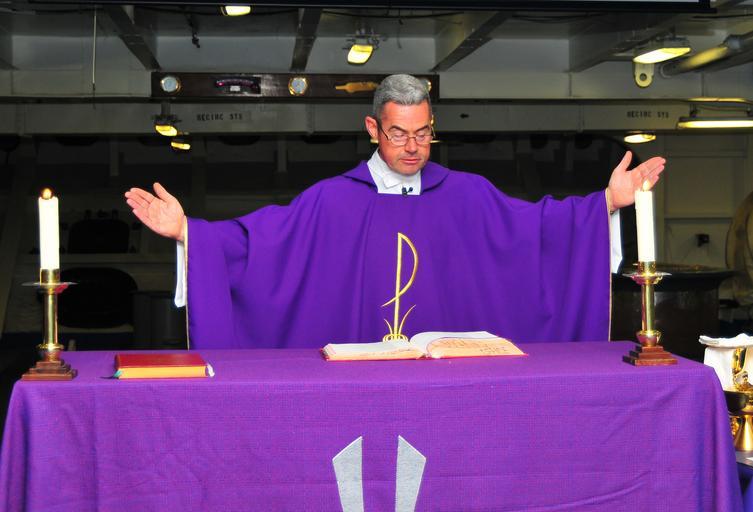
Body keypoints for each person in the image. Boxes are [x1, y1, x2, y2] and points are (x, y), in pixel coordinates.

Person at [125, 74, 664, 349]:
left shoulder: (468, 195)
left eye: (423, 133)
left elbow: (537, 230)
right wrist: (189, 233)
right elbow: (263, 245)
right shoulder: (332, 200)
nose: (412, 147)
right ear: (372, 129)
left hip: (450, 391)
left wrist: (606, 204)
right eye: (399, 133)